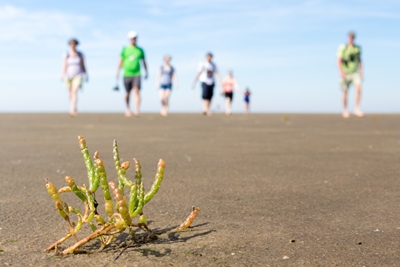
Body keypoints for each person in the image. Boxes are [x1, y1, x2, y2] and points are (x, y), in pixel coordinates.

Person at [116, 31, 148, 117]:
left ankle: (137, 109)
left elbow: (144, 61)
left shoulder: (140, 50)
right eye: (132, 38)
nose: (133, 40)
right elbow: (120, 61)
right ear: (129, 39)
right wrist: (117, 72)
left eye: (135, 38)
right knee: (127, 93)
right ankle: (128, 108)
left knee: (137, 91)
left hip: (137, 73)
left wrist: (146, 71)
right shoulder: (125, 49)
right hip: (126, 74)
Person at [337, 31, 364, 118]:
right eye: (350, 37)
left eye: (353, 37)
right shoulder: (343, 47)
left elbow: (359, 61)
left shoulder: (357, 48)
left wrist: (361, 72)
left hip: (355, 72)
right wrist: (341, 72)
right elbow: (339, 60)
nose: (351, 39)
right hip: (345, 72)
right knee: (345, 91)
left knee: (359, 89)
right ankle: (345, 110)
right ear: (348, 37)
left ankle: (356, 109)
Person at [61, 38, 88, 117]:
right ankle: (72, 107)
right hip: (68, 75)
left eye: (74, 44)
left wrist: (86, 74)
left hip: (78, 75)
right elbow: (64, 65)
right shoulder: (66, 54)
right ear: (69, 45)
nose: (73, 46)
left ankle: (73, 109)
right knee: (70, 93)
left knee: (74, 91)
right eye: (71, 44)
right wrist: (62, 74)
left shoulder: (80, 54)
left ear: (76, 45)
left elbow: (83, 65)